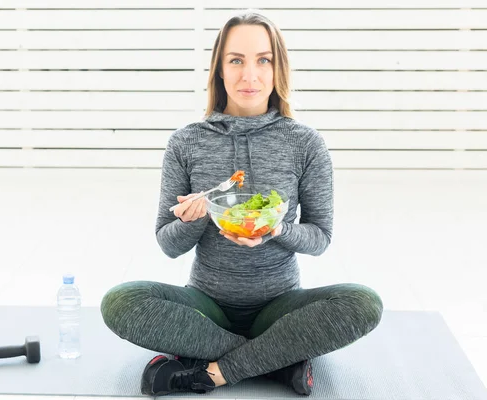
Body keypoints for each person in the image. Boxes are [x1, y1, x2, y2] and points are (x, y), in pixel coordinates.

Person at [100, 10, 383, 397]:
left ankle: (215, 369)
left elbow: (320, 238)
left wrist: (278, 228)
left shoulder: (306, 144)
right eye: (236, 60)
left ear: (277, 68)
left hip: (279, 308)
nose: (250, 75)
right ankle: (277, 361)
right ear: (219, 69)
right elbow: (168, 244)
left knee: (363, 303)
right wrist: (198, 216)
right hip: (206, 308)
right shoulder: (186, 142)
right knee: (119, 302)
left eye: (263, 60)